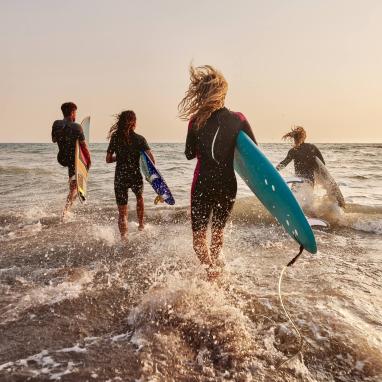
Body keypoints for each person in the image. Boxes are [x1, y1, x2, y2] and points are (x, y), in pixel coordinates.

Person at [179, 65, 257, 279]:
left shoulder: (195, 120)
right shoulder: (239, 119)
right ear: (223, 93)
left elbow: (188, 154)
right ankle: (218, 274)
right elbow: (253, 151)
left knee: (198, 238)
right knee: (218, 234)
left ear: (201, 94)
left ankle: (210, 272)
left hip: (203, 183)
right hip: (227, 183)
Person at [106, 110, 155, 240]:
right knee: (139, 198)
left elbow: (108, 159)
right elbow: (151, 161)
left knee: (122, 213)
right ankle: (141, 225)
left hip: (120, 177)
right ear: (134, 123)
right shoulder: (140, 139)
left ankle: (124, 238)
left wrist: (120, 157)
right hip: (135, 175)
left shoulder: (115, 138)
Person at [52, 102, 91, 218]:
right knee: (74, 188)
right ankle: (66, 211)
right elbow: (83, 147)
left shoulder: (56, 124)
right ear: (73, 113)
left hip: (62, 157)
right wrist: (88, 161)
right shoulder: (77, 127)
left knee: (72, 183)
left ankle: (72, 182)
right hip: (73, 158)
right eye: (75, 113)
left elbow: (54, 139)